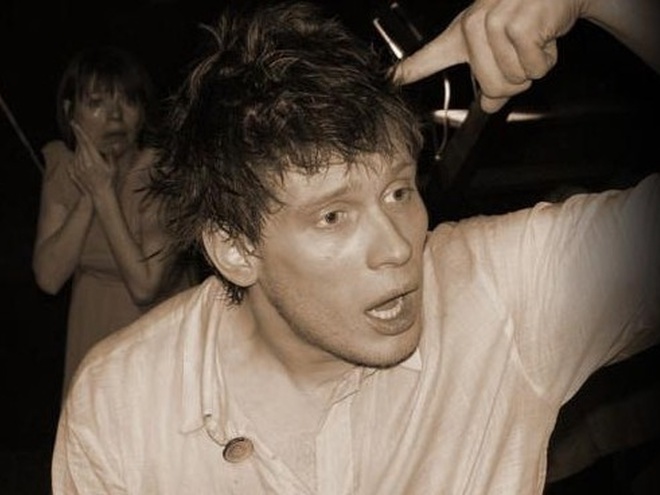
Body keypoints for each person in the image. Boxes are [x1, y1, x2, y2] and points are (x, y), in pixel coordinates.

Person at [51, 1, 659, 493]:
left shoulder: (500, 295)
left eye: (398, 192)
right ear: (235, 248)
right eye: (333, 216)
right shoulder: (122, 404)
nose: (397, 247)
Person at [32, 46, 195, 397]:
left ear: (143, 112)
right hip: (92, 333)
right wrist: (88, 197)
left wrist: (104, 195)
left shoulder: (161, 174)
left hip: (155, 341)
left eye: (129, 102)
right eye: (97, 103)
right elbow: (48, 277)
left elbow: (145, 285)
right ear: (69, 111)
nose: (116, 116)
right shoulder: (63, 166)